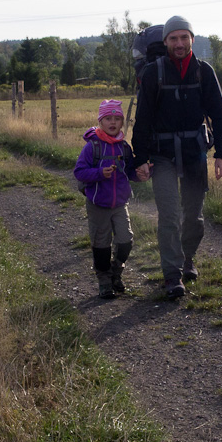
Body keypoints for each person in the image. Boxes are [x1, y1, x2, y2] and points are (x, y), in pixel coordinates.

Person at [131, 15, 222, 298]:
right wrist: (140, 158)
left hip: (194, 152)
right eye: (173, 38)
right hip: (161, 154)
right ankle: (172, 275)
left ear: (192, 39)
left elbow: (219, 115)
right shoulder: (153, 73)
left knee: (194, 217)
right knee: (170, 215)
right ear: (165, 42)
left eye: (184, 37)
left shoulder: (204, 71)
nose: (179, 43)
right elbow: (143, 119)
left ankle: (188, 259)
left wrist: (221, 154)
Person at [74, 99, 141, 300]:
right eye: (108, 119)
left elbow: (130, 171)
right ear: (100, 121)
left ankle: (116, 272)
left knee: (126, 240)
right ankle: (104, 281)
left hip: (120, 204)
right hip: (97, 204)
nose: (113, 122)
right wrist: (99, 173)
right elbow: (79, 172)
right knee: (101, 244)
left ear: (122, 122)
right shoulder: (92, 147)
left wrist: (142, 173)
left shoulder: (124, 147)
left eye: (117, 119)